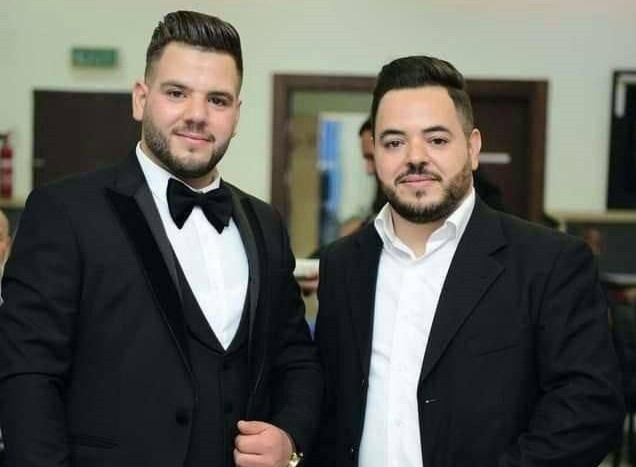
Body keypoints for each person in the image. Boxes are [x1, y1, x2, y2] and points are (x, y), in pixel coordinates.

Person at [0, 11, 321, 467]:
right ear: (141, 99)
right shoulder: (64, 212)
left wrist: (290, 437)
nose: (197, 115)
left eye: (217, 100)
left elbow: (296, 358)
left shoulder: (264, 223)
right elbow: (27, 378)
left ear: (236, 114)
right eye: (176, 93)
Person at [308, 55, 624, 467]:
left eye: (437, 140)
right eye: (394, 142)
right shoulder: (342, 264)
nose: (415, 157)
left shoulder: (550, 262)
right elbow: (331, 405)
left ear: (472, 148)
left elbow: (588, 410)